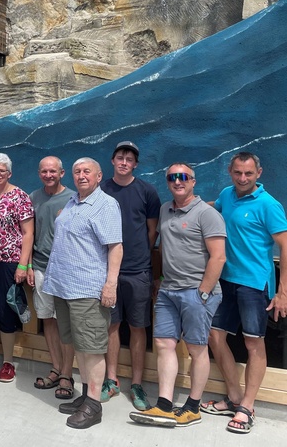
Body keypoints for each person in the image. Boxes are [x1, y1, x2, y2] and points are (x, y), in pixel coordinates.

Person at [130, 163, 225, 428]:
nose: (178, 181)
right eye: (172, 177)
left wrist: (203, 293)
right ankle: (164, 404)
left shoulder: (207, 214)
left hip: (196, 291)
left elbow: (218, 257)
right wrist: (159, 280)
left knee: (196, 348)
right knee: (163, 345)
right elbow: (163, 248)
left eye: (183, 177)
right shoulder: (164, 210)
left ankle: (193, 407)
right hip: (168, 290)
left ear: (193, 181)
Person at [202, 152, 287, 434]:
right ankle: (235, 398)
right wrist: (188, 204)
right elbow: (216, 207)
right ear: (230, 171)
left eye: (248, 174)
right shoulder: (227, 195)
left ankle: (248, 407)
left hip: (254, 284)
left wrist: (283, 291)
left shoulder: (269, 205)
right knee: (215, 335)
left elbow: (285, 246)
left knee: (254, 343)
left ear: (259, 173)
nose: (242, 178)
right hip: (225, 280)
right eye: (238, 173)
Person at [44, 158, 122, 429]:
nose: (81, 175)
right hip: (64, 287)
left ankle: (94, 406)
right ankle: (87, 394)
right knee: (79, 345)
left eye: (87, 171)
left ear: (99, 176)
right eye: (77, 172)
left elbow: (115, 246)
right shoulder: (73, 202)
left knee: (92, 347)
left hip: (87, 288)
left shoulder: (106, 205)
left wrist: (110, 284)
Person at [100, 141, 161, 409]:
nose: (124, 162)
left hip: (138, 271)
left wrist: (141, 257)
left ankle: (136, 384)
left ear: (135, 164)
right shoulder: (101, 190)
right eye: (120, 157)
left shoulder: (147, 191)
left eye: (129, 159)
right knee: (111, 326)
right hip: (107, 272)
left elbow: (152, 231)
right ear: (112, 161)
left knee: (138, 327)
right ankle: (111, 380)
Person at [0, 153, 34, 383]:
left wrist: (23, 264)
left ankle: (9, 361)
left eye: (2, 170)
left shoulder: (20, 196)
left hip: (9, 261)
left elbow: (28, 233)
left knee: (5, 309)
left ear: (9, 173)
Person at [29, 157, 76, 400]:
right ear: (39, 173)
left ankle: (68, 374)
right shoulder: (34, 197)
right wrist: (27, 264)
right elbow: (28, 233)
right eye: (44, 171)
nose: (49, 175)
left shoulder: (73, 198)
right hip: (40, 267)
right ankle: (56, 368)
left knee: (65, 323)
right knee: (47, 318)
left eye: (53, 171)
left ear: (62, 173)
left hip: (65, 270)